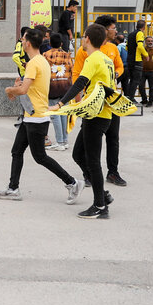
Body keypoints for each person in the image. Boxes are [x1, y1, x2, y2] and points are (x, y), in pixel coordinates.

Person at [0, 28, 77, 201]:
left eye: (23, 39)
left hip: (37, 117)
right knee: (17, 151)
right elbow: (28, 87)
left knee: (40, 157)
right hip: (31, 115)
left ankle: (72, 182)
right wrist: (17, 87)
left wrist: (11, 89)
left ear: (28, 43)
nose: (21, 42)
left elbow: (23, 89)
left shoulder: (34, 63)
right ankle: (13, 188)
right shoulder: (41, 60)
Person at [50, 23, 118, 217]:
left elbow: (80, 82)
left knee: (93, 161)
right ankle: (102, 195)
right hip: (98, 114)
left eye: (83, 36)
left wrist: (61, 103)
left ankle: (100, 207)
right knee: (78, 154)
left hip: (97, 116)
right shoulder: (105, 59)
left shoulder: (93, 59)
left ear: (87, 38)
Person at [72, 15, 127, 187]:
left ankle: (113, 172)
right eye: (113, 28)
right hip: (93, 103)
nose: (115, 31)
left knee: (113, 138)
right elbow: (77, 73)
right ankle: (89, 173)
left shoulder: (113, 48)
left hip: (111, 102)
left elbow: (120, 66)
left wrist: (116, 74)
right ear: (104, 30)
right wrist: (77, 96)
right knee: (88, 142)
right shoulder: (85, 50)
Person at [44, 33, 72, 150]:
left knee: (55, 115)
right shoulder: (67, 55)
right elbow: (71, 70)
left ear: (50, 44)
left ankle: (59, 142)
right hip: (66, 88)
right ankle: (65, 141)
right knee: (64, 113)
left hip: (52, 88)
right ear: (61, 43)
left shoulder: (45, 55)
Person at [124, 19, 149, 99]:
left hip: (129, 59)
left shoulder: (131, 34)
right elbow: (140, 46)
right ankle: (131, 98)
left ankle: (128, 96)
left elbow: (126, 47)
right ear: (144, 27)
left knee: (131, 80)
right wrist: (146, 54)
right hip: (137, 60)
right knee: (136, 80)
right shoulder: (140, 33)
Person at [138, 34, 153, 107]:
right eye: (148, 41)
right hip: (142, 71)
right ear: (145, 42)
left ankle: (150, 102)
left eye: (151, 41)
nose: (150, 42)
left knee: (152, 88)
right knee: (141, 87)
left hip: (152, 71)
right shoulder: (142, 50)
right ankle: (144, 100)